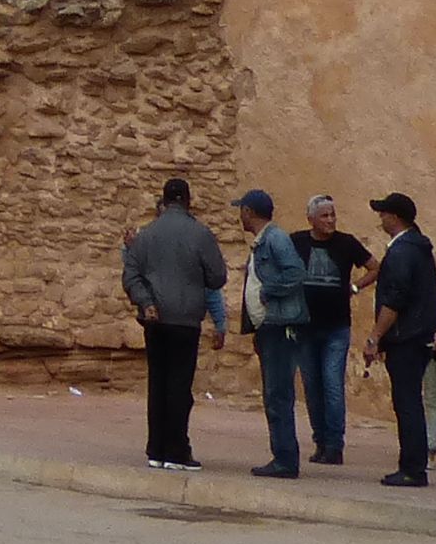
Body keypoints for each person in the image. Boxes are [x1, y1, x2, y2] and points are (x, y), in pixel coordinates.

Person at [118, 177, 229, 471]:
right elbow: (217, 277)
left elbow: (131, 275)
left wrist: (147, 301)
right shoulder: (201, 234)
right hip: (186, 319)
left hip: (155, 319)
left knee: (158, 382)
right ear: (188, 201)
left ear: (164, 201)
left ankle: (156, 447)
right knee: (180, 385)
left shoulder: (146, 235)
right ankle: (177, 450)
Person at [357, 194, 436, 486]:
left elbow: (394, 299)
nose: (380, 219)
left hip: (406, 337)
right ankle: (412, 464)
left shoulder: (402, 251)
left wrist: (375, 336)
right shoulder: (418, 247)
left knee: (406, 403)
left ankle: (412, 468)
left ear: (395, 217)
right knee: (409, 401)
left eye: (384, 214)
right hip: (417, 336)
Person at [234, 190, 311, 478]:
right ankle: (282, 456)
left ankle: (285, 459)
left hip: (279, 327)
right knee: (274, 394)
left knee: (277, 394)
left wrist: (269, 290)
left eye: (241, 210)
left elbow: (295, 273)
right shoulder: (263, 241)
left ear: (249, 212)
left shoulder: (275, 238)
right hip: (269, 327)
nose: (239, 216)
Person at [289, 197, 369, 468]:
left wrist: (355, 287)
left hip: (336, 326)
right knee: (312, 386)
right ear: (310, 218)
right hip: (306, 325)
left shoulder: (346, 243)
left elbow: (375, 267)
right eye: (324, 216)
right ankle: (320, 441)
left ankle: (335, 445)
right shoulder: (297, 242)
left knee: (332, 384)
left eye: (333, 215)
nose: (330, 220)